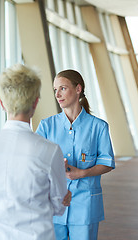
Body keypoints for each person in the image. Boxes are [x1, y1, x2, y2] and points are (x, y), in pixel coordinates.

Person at [0, 64, 71, 240]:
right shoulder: (50, 150)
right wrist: (65, 197)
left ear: (2, 103)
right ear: (35, 102)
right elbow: (59, 207)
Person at [36, 69, 115, 240]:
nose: (58, 94)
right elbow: (35, 161)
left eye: (63, 88)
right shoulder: (46, 126)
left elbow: (107, 162)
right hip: (54, 203)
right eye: (55, 90)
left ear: (78, 89)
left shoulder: (98, 127)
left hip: (85, 205)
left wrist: (82, 173)